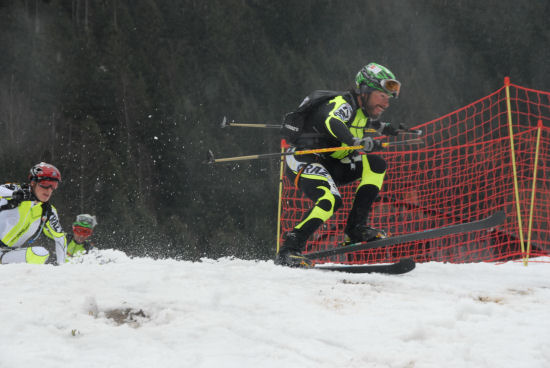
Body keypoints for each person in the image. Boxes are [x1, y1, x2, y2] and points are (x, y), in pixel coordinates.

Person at [276, 62, 402, 267]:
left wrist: (387, 128)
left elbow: (365, 123)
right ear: (366, 90)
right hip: (304, 159)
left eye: (388, 99)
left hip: (333, 163)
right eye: (382, 96)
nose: (386, 103)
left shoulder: (362, 113)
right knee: (330, 200)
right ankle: (289, 250)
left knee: (376, 164)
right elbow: (331, 121)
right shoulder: (342, 103)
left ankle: (355, 229)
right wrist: (355, 141)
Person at [0, 162, 67, 265]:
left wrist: (62, 266)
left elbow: (60, 238)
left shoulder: (48, 211)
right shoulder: (17, 190)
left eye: (53, 185)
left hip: (6, 254)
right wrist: (13, 195)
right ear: (33, 182)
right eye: (45, 184)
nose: (49, 190)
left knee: (40, 253)